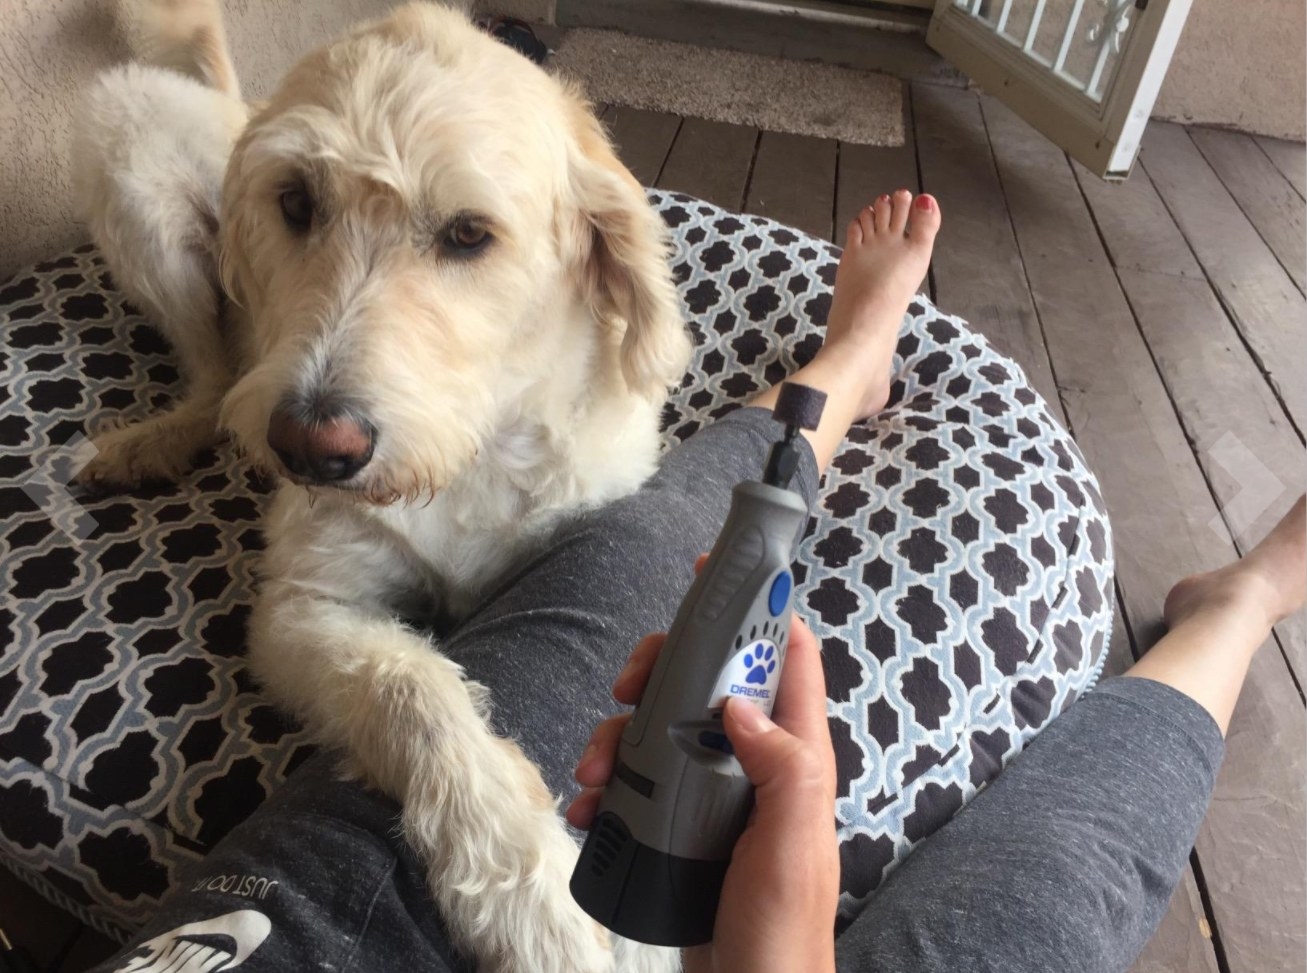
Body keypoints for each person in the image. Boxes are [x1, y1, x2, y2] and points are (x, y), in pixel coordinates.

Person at [89, 189, 1305, 973]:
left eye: (463, 232)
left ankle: (845, 368)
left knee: (651, 541)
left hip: (330, 894)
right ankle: (1241, 605)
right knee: (1051, 896)